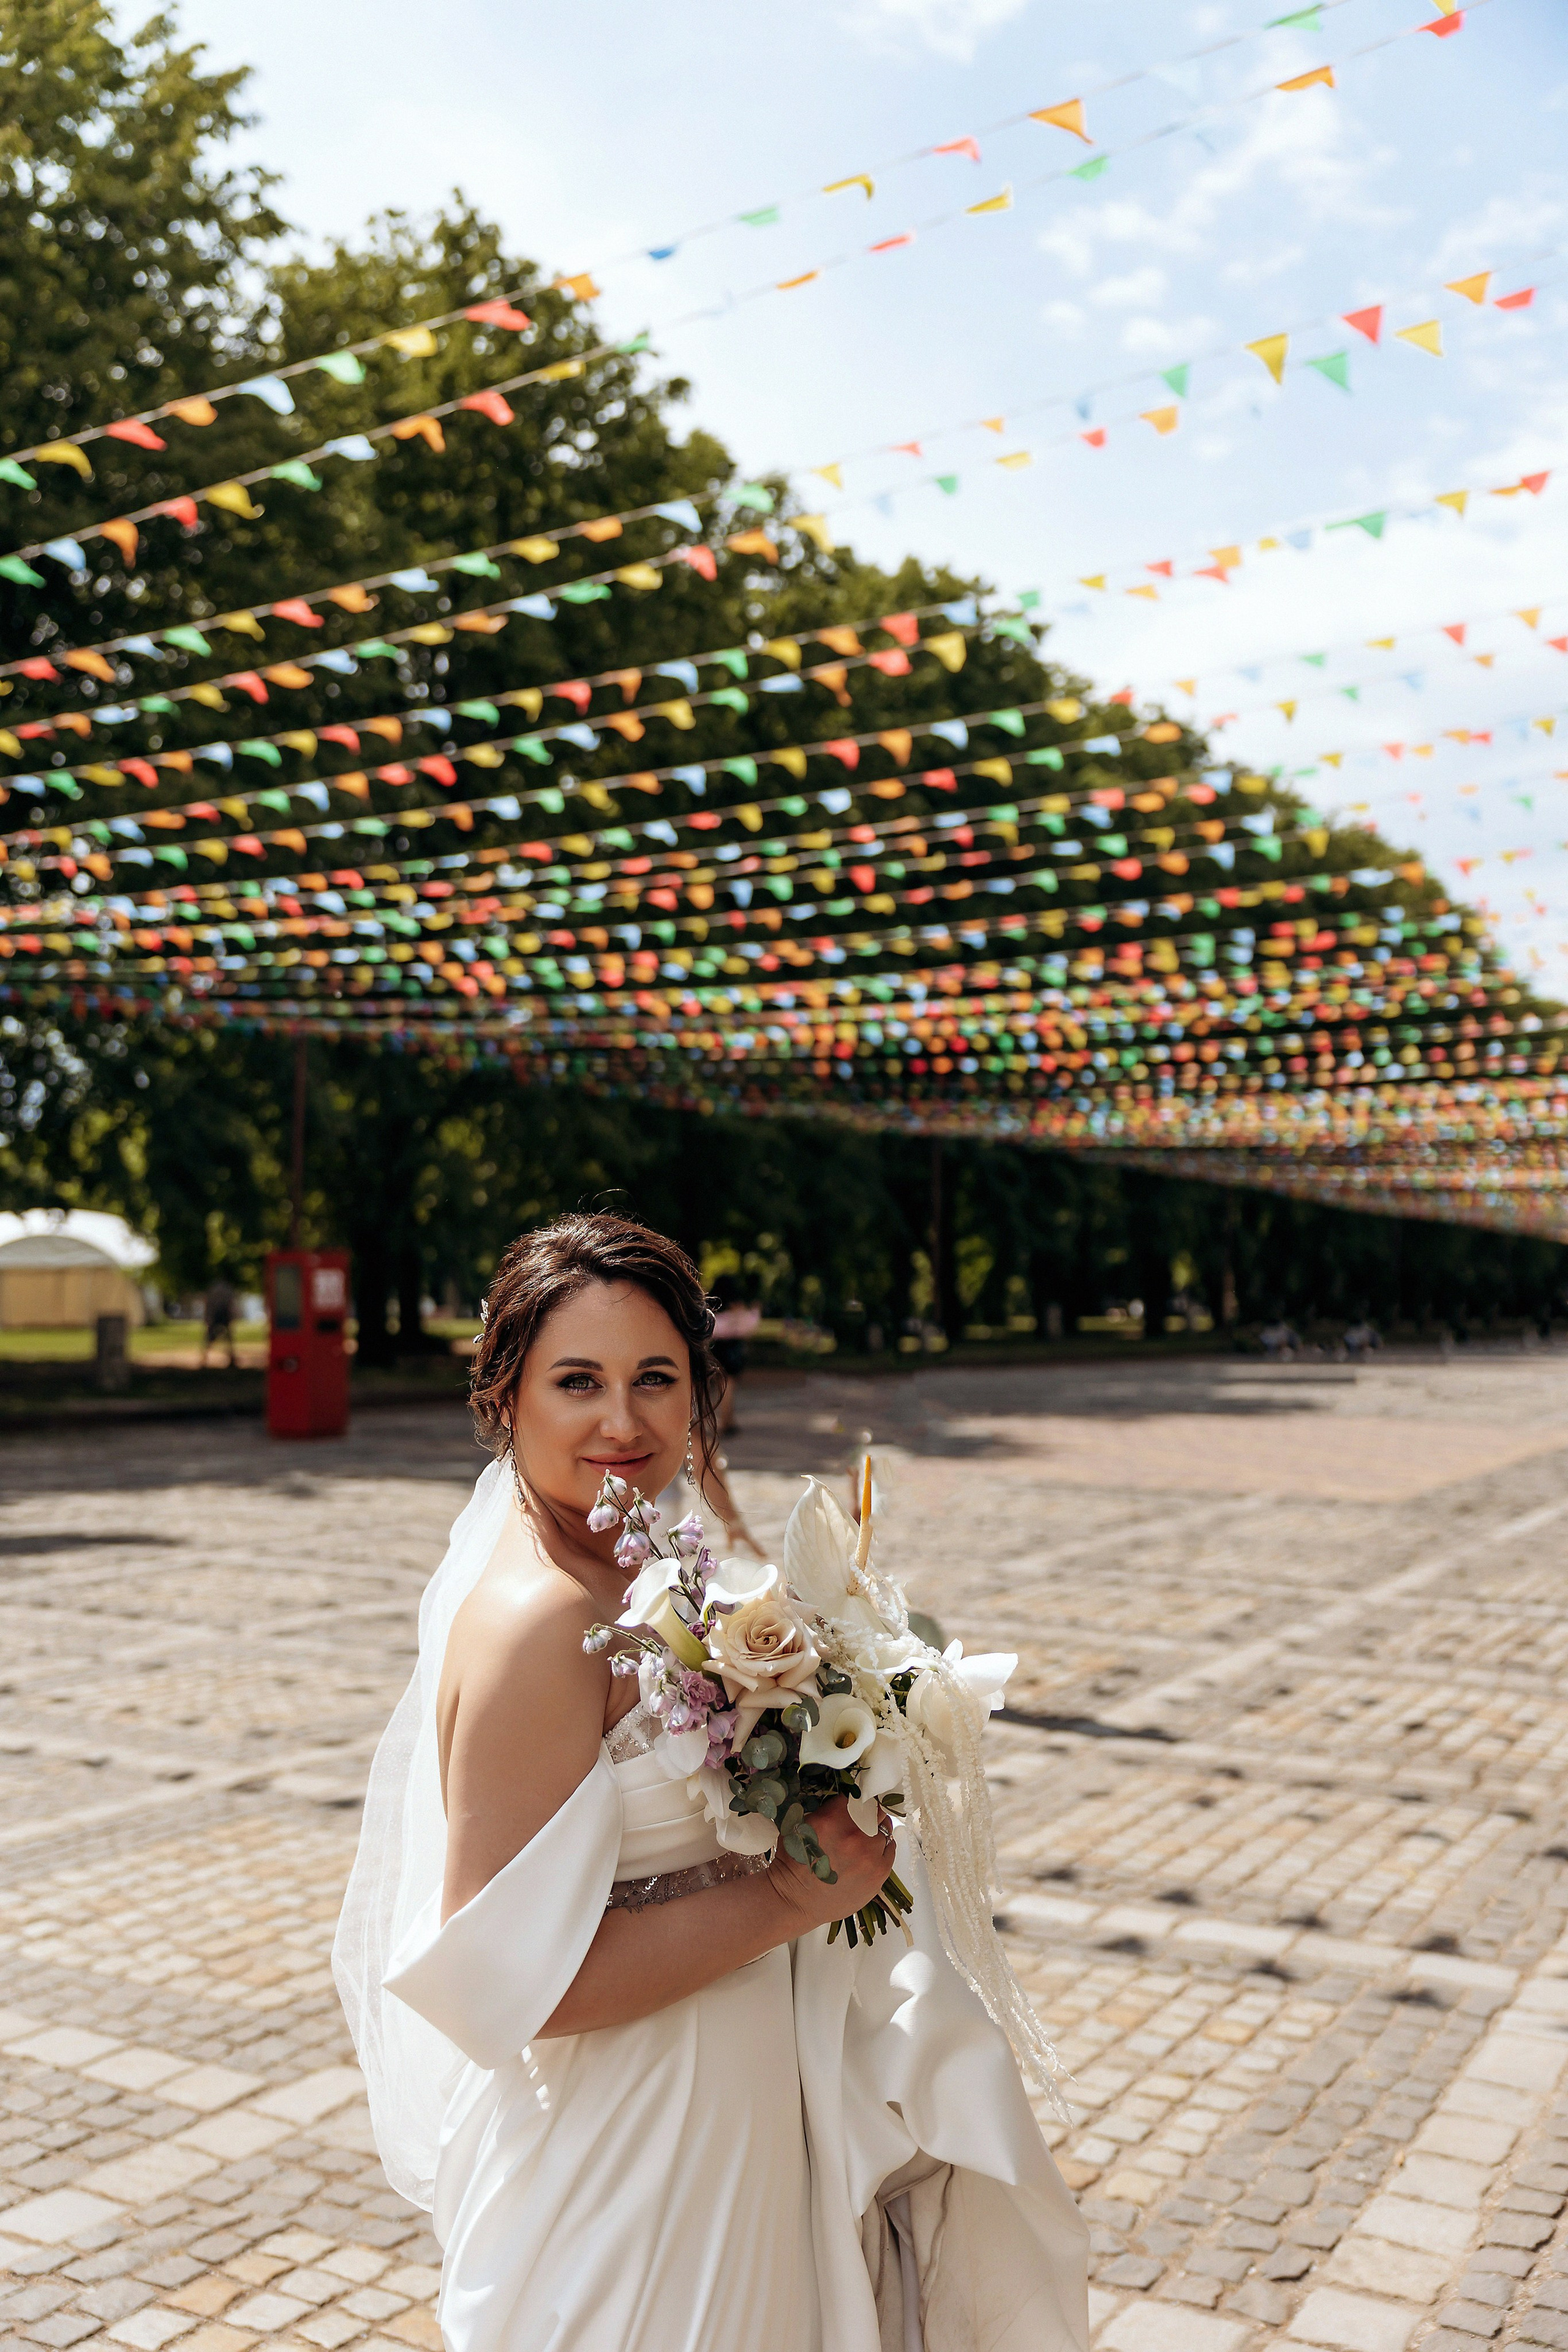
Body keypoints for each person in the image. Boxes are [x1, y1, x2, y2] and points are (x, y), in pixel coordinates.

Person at [333, 1210, 1087, 2352]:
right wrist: (786, 1898)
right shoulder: (541, 1620)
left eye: (656, 1379)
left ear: (699, 1394)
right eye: (576, 1381)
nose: (622, 1423)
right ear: (506, 1397)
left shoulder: (645, 1573)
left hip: (732, 2125)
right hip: (634, 2160)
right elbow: (515, 1989)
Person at [709, 1269, 760, 1433]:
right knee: (729, 1384)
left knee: (724, 1385)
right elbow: (749, 1326)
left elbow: (711, 1329)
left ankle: (727, 1419)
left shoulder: (713, 1307)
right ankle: (727, 1420)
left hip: (718, 1347)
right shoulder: (737, 1307)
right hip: (734, 1348)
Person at [202, 1276, 236, 1369]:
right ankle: (232, 1358)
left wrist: (208, 1316)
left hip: (216, 1314)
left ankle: (204, 1359)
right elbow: (230, 1303)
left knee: (210, 1337)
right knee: (228, 1337)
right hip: (223, 1313)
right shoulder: (227, 1289)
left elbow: (209, 1303)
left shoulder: (213, 1289)